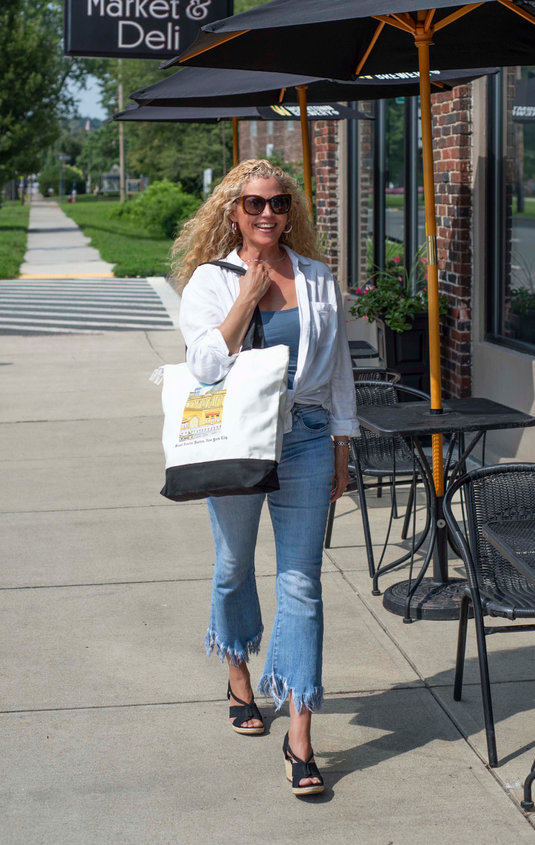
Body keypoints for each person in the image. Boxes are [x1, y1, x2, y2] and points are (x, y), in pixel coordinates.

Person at [172, 158, 359, 796]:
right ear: (233, 211)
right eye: (254, 204)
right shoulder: (210, 279)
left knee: (302, 582)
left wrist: (343, 439)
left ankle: (301, 736)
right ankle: (237, 672)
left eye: (278, 203)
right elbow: (202, 363)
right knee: (233, 568)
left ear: (290, 211)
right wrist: (247, 297)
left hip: (305, 437)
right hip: (237, 438)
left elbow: (337, 369)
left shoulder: (316, 277)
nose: (267, 214)